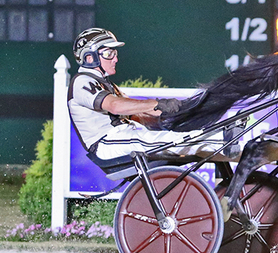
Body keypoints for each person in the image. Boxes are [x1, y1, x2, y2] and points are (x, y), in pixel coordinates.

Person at [68, 28, 240, 162]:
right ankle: (224, 138)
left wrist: (179, 111)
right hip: (107, 143)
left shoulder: (107, 85)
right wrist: (155, 103)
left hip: (123, 136)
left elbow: (138, 113)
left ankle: (236, 148)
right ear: (89, 58)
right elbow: (115, 105)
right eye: (108, 53)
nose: (115, 59)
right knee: (170, 142)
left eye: (115, 53)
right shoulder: (81, 81)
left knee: (174, 139)